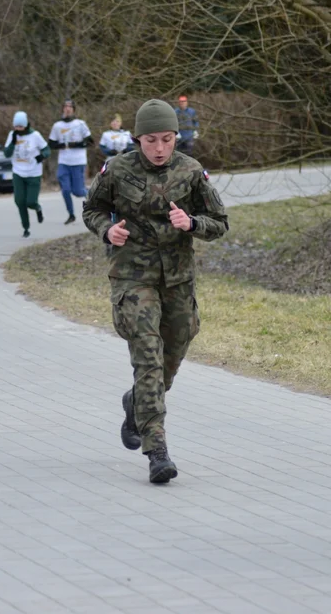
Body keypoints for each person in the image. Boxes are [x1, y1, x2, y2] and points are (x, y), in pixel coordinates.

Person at [83, 99, 228, 484]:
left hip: (178, 279)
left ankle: (137, 402)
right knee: (148, 357)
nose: (160, 148)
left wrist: (192, 222)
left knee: (175, 349)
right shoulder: (117, 169)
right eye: (151, 140)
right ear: (137, 139)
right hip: (133, 278)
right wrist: (106, 230)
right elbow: (91, 209)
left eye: (167, 139)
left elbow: (220, 223)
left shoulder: (192, 172)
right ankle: (156, 450)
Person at [3, 111, 49, 238]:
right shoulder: (12, 135)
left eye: (20, 126)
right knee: (19, 201)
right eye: (16, 126)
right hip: (18, 172)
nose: (18, 129)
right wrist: (12, 142)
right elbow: (6, 154)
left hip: (33, 172)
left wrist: (42, 156)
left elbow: (47, 149)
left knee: (30, 201)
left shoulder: (35, 135)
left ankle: (38, 208)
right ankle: (26, 228)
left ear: (25, 125)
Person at [48, 99, 92, 224]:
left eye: (70, 107)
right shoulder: (57, 126)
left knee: (78, 192)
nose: (67, 109)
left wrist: (74, 144)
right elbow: (51, 144)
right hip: (64, 162)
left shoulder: (80, 124)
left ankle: (93, 194)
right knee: (66, 190)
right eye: (65, 107)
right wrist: (61, 145)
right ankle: (71, 214)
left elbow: (90, 141)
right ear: (62, 109)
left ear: (73, 109)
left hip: (78, 161)